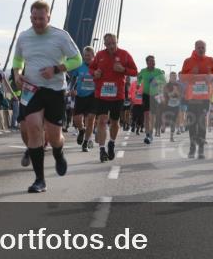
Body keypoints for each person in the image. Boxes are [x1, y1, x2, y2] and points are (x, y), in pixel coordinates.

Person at [11, 0, 83, 193]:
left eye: (41, 18)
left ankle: (58, 153)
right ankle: (39, 180)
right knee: (34, 128)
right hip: (32, 90)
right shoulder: (24, 37)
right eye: (34, 18)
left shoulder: (61, 36)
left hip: (55, 90)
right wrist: (17, 74)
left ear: (48, 17)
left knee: (53, 136)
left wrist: (57, 68)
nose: (37, 22)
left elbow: (77, 60)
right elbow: (17, 61)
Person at [90, 33, 138, 162]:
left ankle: (111, 142)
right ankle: (101, 149)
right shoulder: (99, 55)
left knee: (115, 122)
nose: (111, 46)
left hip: (117, 94)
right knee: (102, 120)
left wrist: (123, 69)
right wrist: (95, 72)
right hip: (101, 94)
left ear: (117, 42)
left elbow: (135, 71)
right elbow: (91, 68)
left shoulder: (125, 54)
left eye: (113, 43)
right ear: (105, 44)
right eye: (109, 44)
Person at [180, 40, 213, 159]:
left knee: (202, 121)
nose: (201, 49)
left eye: (203, 47)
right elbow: (182, 78)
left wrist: (212, 77)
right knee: (192, 122)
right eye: (199, 47)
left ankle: (201, 149)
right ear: (195, 48)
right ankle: (192, 147)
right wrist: (192, 73)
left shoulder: (210, 60)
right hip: (192, 97)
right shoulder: (188, 61)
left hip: (204, 97)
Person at [69, 46, 97, 152]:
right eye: (85, 55)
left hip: (93, 96)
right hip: (80, 95)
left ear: (93, 56)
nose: (87, 57)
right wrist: (72, 89)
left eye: (89, 55)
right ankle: (81, 130)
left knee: (90, 119)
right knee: (76, 119)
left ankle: (85, 143)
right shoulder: (79, 65)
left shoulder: (97, 66)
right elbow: (73, 79)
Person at [136, 55, 166, 145]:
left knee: (152, 115)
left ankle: (151, 134)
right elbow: (139, 78)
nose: (153, 63)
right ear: (147, 63)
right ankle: (147, 134)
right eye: (151, 61)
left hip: (155, 95)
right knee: (146, 115)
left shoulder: (158, 71)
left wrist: (158, 82)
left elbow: (164, 81)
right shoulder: (143, 71)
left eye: (154, 61)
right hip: (146, 94)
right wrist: (138, 83)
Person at [162, 72, 182, 142]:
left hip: (176, 105)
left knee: (173, 121)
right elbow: (168, 95)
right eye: (172, 77)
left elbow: (180, 95)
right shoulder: (167, 85)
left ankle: (171, 136)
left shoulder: (179, 85)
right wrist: (174, 92)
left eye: (175, 77)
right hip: (168, 105)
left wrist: (177, 93)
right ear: (170, 78)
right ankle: (163, 125)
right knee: (168, 119)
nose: (174, 78)